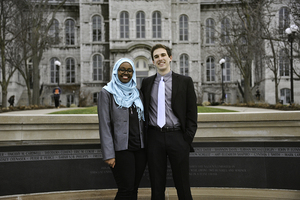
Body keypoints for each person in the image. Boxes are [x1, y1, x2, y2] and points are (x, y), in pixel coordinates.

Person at [141, 44, 198, 200]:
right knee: (156, 185)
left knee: (183, 185)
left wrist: (187, 139)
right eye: (156, 57)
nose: (160, 59)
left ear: (170, 58)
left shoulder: (185, 81)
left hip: (177, 137)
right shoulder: (146, 83)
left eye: (163, 55)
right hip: (154, 137)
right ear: (153, 61)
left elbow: (192, 113)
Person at [97, 58, 147, 200]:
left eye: (129, 70)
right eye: (122, 70)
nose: (126, 73)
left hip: (140, 149)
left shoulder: (137, 93)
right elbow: (104, 124)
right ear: (116, 71)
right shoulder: (107, 93)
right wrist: (108, 154)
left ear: (133, 73)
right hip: (121, 150)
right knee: (126, 189)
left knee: (134, 189)